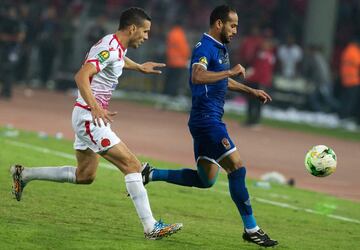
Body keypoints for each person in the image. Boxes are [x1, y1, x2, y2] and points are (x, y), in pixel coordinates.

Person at [10, 7, 182, 240]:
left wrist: (139, 67)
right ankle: (151, 227)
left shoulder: (115, 46)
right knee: (132, 166)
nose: (147, 36)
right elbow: (81, 76)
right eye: (145, 31)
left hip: (87, 116)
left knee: (85, 175)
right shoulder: (109, 47)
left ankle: (24, 174)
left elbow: (117, 59)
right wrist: (95, 106)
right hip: (90, 118)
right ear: (132, 28)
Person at [141, 5, 278, 247]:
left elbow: (220, 81)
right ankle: (252, 228)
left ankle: (151, 173)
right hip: (207, 120)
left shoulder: (220, 48)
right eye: (232, 25)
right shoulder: (205, 47)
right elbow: (198, 76)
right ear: (218, 24)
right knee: (237, 168)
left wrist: (250, 90)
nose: (236, 30)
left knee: (206, 180)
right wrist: (229, 72)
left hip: (205, 120)